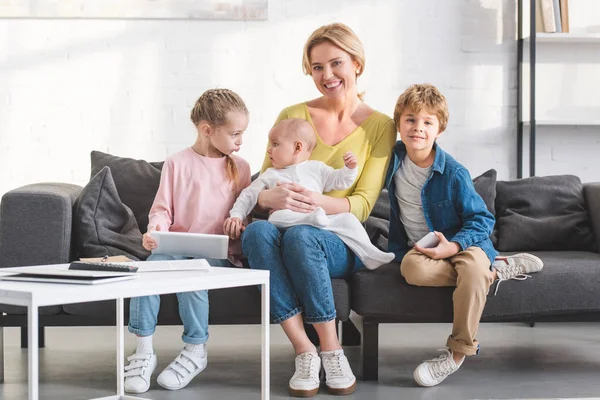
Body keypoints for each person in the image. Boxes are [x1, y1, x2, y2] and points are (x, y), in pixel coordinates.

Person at [241, 23, 397, 397]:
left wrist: (310, 200)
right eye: (316, 67)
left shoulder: (381, 127)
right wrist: (266, 200)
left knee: (301, 236)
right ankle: (304, 350)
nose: (327, 76)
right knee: (256, 232)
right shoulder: (293, 113)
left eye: (335, 63)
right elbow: (265, 183)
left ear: (357, 64)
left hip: (336, 237)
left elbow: (360, 204)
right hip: (285, 226)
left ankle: (331, 348)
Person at [385, 83, 544, 387]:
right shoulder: (392, 160)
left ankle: (457, 353)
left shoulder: (454, 173)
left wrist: (455, 245)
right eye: (410, 120)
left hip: (465, 242)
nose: (418, 128)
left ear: (439, 130)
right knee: (410, 268)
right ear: (399, 124)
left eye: (427, 122)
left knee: (472, 268)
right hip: (427, 250)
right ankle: (493, 272)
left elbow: (482, 219)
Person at [123, 89, 251, 394]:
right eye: (235, 133)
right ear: (207, 130)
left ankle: (196, 348)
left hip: (217, 254)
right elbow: (162, 210)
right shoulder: (176, 163)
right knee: (148, 272)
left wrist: (239, 224)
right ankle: (143, 351)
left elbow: (245, 209)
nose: (240, 141)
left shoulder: (241, 168)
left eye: (243, 133)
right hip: (176, 249)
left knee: (193, 275)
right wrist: (155, 231)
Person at [224, 118, 394, 269]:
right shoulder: (270, 174)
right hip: (286, 221)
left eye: (275, 144)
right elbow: (248, 195)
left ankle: (370, 253)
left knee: (348, 219)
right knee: (278, 217)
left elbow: (340, 180)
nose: (269, 150)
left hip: (317, 220)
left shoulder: (316, 168)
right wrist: (236, 215)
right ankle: (310, 220)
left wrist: (349, 169)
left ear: (297, 147)